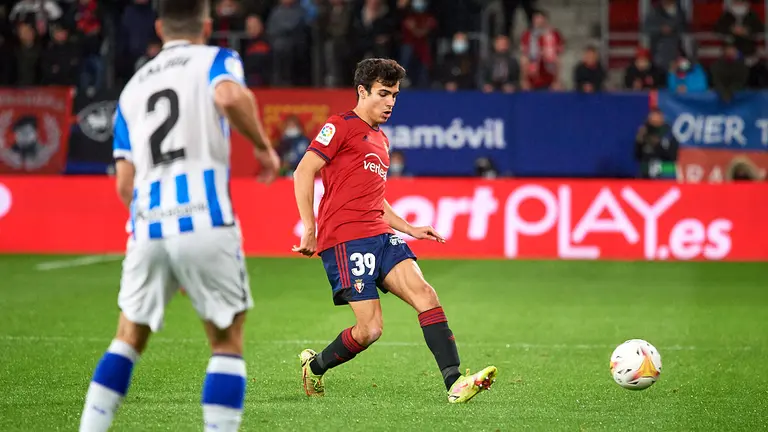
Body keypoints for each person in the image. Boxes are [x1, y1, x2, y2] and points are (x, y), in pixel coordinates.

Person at [78, 1, 280, 431]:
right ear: (206, 25)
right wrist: (262, 146)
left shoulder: (132, 89)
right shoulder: (217, 59)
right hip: (205, 219)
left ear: (159, 27)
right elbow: (228, 94)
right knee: (226, 341)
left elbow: (123, 185)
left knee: (127, 339)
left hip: (149, 225)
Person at [291, 58, 497, 404]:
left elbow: (376, 196)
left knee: (426, 295)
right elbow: (302, 171)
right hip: (345, 237)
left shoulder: (381, 140)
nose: (390, 102)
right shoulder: (339, 126)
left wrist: (409, 229)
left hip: (380, 235)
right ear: (362, 91)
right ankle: (315, 367)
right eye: (383, 94)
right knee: (370, 330)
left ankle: (454, 383)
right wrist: (309, 228)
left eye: (395, 95)